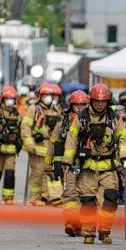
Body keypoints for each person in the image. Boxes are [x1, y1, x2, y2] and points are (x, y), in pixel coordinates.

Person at [62, 83, 126, 245]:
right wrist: (67, 161)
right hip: (87, 167)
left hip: (108, 166)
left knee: (110, 199)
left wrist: (125, 156)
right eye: (97, 101)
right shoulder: (82, 118)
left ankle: (105, 231)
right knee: (87, 201)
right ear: (91, 101)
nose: (100, 104)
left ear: (108, 102)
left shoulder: (115, 119)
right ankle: (89, 233)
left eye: (104, 101)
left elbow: (124, 138)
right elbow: (71, 140)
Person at [45, 90, 90, 236]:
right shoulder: (62, 123)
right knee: (70, 193)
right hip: (68, 164)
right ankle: (71, 222)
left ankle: (83, 226)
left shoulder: (92, 121)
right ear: (71, 106)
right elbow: (53, 143)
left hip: (88, 164)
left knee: (86, 195)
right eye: (76, 105)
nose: (79, 108)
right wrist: (48, 163)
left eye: (83, 105)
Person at [21, 82, 61, 206]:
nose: (49, 97)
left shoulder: (55, 109)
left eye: (51, 95)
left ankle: (46, 196)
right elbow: (25, 126)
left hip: (50, 146)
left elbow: (59, 127)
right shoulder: (34, 108)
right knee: (37, 173)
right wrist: (29, 144)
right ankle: (34, 198)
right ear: (40, 96)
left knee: (47, 172)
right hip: (37, 146)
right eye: (46, 95)